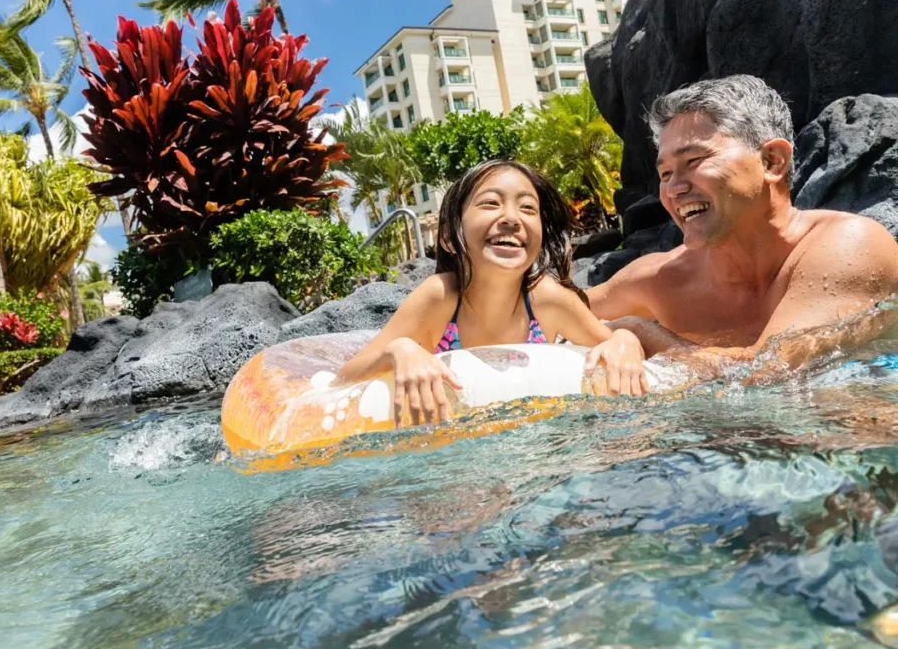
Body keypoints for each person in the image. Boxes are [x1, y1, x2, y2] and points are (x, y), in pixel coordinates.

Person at [587, 75, 898, 376]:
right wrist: (620, 337)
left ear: (772, 161)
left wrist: (640, 331)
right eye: (665, 174)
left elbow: (768, 372)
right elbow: (550, 313)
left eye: (693, 161)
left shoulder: (849, 246)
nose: (674, 188)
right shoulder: (660, 279)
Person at [334, 160, 649, 424]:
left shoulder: (547, 299)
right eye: (490, 203)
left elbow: (613, 342)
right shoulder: (440, 297)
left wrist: (626, 339)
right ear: (447, 237)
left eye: (528, 208)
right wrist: (400, 349)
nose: (512, 219)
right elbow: (344, 378)